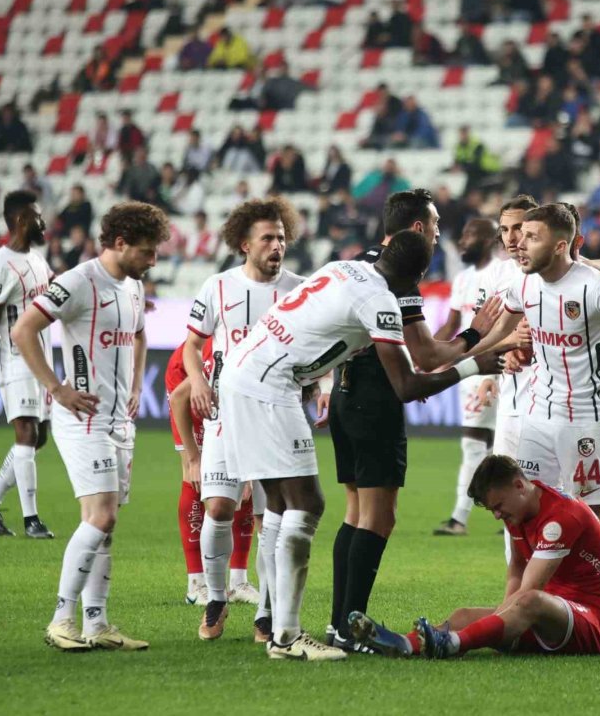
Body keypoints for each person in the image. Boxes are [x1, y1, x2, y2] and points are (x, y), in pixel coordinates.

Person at [218, 230, 504, 661]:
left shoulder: (342, 266)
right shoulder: (381, 301)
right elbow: (407, 385)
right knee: (307, 504)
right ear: (419, 275)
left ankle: (278, 627)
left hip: (247, 369)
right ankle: (287, 636)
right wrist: (474, 364)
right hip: (270, 385)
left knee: (280, 504)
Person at [328, 192, 503, 651]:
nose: (442, 229)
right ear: (418, 229)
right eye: (437, 221)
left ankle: (338, 622)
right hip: (373, 397)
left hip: (344, 393)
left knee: (355, 513)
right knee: (379, 518)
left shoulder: (361, 261)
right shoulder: (398, 275)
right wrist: (475, 337)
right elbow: (424, 357)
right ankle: (352, 626)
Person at [11, 202, 170, 651]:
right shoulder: (78, 282)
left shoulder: (133, 286)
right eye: (146, 251)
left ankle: (97, 624)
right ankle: (61, 619)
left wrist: (138, 385)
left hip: (120, 421)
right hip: (83, 419)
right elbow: (23, 330)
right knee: (103, 515)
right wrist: (56, 388)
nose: (153, 260)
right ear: (119, 244)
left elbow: (139, 334)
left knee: (104, 524)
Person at [474, 205, 600, 524]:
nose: (519, 243)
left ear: (561, 246)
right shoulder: (522, 285)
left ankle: (598, 575)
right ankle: (524, 576)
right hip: (538, 412)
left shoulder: (596, 287)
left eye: (531, 237)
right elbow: (496, 333)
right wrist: (452, 358)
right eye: (519, 235)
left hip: (585, 416)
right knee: (525, 503)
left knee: (588, 513)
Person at [349, 455, 600, 659]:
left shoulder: (561, 518)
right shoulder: (518, 510)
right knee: (464, 614)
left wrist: (507, 617)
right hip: (550, 616)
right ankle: (402, 643)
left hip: (595, 622)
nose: (496, 515)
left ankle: (452, 644)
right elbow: (517, 567)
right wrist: (506, 618)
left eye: (498, 506)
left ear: (519, 485)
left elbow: (530, 590)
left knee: (529, 600)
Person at [183, 197, 305, 643]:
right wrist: (197, 381)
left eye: (282, 237)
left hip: (275, 415)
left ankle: (267, 614)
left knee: (274, 514)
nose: (277, 245)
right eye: (268, 238)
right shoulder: (217, 287)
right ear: (244, 244)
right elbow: (193, 347)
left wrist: (320, 384)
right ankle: (216, 598)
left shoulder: (299, 289)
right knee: (218, 507)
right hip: (223, 415)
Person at [0, 192, 56, 539]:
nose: (43, 222)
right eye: (37, 216)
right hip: (16, 362)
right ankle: (30, 519)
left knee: (40, 438)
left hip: (42, 361)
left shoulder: (37, 259)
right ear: (21, 220)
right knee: (27, 434)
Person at [165, 338, 257, 606]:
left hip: (229, 403)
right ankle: (196, 583)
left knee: (245, 482)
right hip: (187, 392)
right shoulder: (214, 355)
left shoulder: (257, 348)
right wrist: (192, 458)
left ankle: (238, 581)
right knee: (196, 478)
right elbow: (180, 397)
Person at [432, 219, 504, 535]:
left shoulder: (504, 273)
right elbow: (451, 326)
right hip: (471, 367)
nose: (462, 241)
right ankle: (467, 516)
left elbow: (507, 323)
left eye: (470, 234)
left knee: (490, 443)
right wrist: (426, 355)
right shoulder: (462, 278)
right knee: (483, 445)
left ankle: (465, 518)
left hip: (497, 365)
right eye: (462, 234)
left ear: (490, 240)